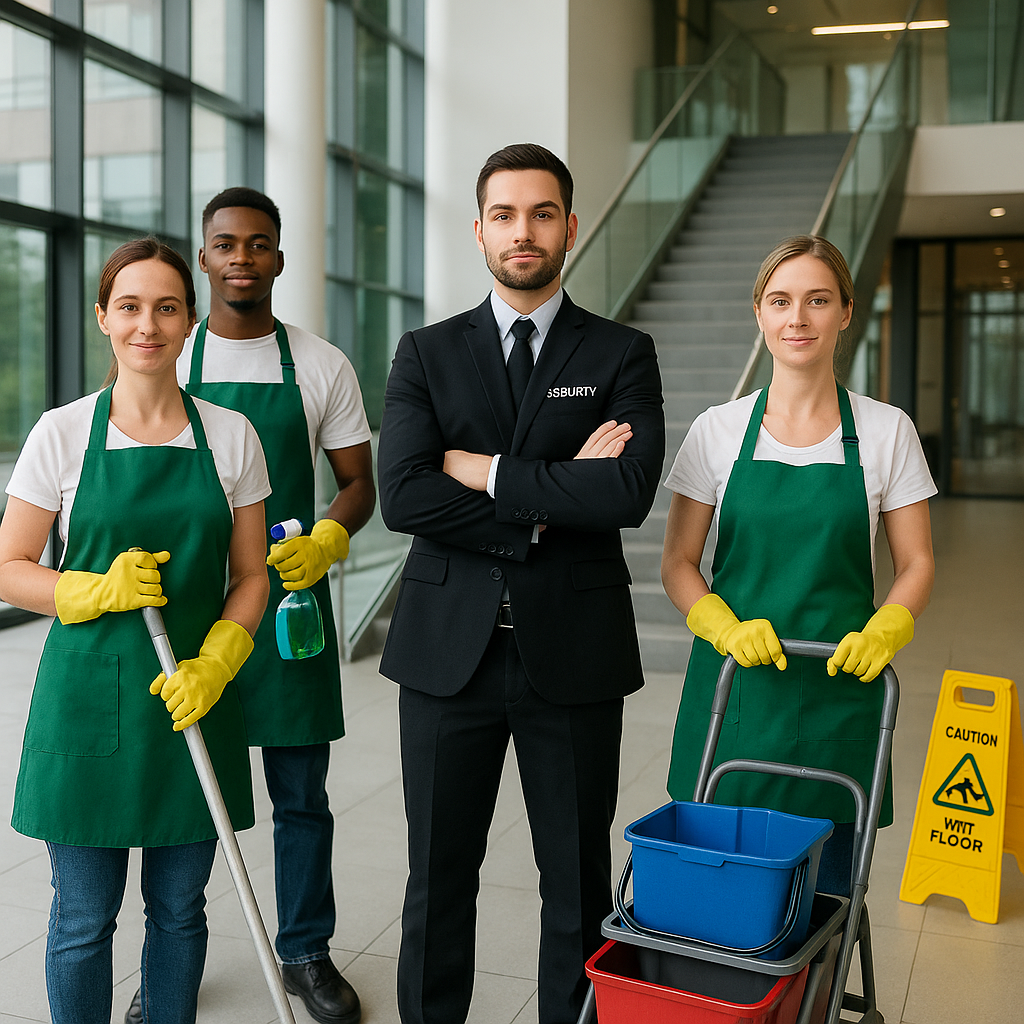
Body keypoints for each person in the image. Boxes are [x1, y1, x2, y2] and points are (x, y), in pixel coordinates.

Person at [377, 143, 665, 1024]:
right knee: (438, 881)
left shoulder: (621, 351)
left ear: (571, 227)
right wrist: (547, 502)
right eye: (504, 214)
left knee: (575, 885)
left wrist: (488, 472)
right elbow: (403, 494)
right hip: (442, 659)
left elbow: (624, 491)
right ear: (478, 231)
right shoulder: (425, 352)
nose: (523, 231)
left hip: (572, 659)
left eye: (542, 213)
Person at [0, 238, 270, 1024]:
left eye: (166, 307)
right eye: (129, 306)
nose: (146, 323)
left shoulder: (231, 435)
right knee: (83, 921)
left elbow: (251, 575)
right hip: (85, 706)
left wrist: (220, 658)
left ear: (190, 322)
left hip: (193, 699)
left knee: (181, 912)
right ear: (102, 319)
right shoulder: (60, 431)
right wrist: (91, 588)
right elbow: (10, 565)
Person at [661, 234, 936, 894]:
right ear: (759, 312)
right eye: (781, 301)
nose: (797, 318)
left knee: (826, 901)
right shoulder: (718, 430)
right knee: (723, 899)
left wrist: (889, 626)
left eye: (817, 300)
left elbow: (918, 560)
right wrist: (723, 625)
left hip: (840, 692)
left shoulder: (885, 430)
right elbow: (677, 561)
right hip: (735, 695)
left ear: (846, 311)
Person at [168, 186, 374, 1024]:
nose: (242, 257)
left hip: (290, 612)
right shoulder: (171, 362)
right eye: (226, 244)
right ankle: (170, 954)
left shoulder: (320, 364)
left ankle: (305, 952)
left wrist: (327, 536)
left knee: (301, 796)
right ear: (206, 256)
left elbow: (359, 484)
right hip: (195, 612)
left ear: (278, 259)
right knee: (185, 803)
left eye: (258, 244)